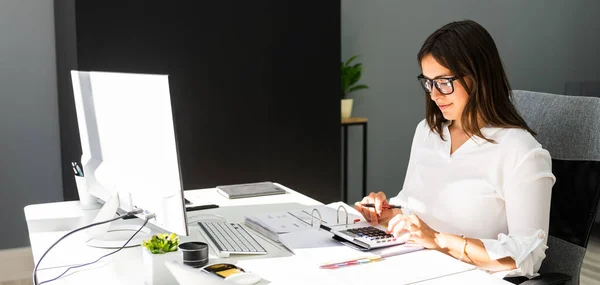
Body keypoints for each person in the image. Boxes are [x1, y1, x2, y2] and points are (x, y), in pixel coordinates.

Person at [354, 20, 555, 283]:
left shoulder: (520, 151)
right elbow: (416, 209)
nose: (435, 95)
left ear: (479, 77)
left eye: (444, 82)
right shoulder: (427, 131)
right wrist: (389, 213)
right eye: (428, 83)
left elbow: (527, 257)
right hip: (414, 265)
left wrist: (439, 240)